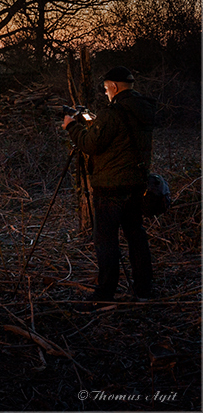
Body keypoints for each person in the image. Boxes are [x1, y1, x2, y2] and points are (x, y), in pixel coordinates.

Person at [63, 66, 157, 303]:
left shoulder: (113, 112)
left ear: (114, 87)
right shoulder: (142, 109)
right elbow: (120, 139)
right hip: (136, 183)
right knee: (136, 235)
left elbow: (91, 145)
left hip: (110, 187)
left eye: (106, 89)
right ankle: (144, 288)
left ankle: (105, 292)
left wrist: (71, 126)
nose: (106, 93)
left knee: (106, 240)